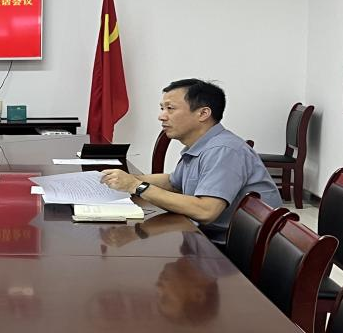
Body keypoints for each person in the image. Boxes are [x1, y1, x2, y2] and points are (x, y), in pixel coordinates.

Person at [101, 79, 281, 246]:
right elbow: (173, 182)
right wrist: (125, 179)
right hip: (208, 238)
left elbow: (206, 211)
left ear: (203, 113)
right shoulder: (200, 145)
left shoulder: (223, 150)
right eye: (162, 108)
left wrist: (137, 186)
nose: (161, 116)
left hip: (237, 252)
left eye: (170, 108)